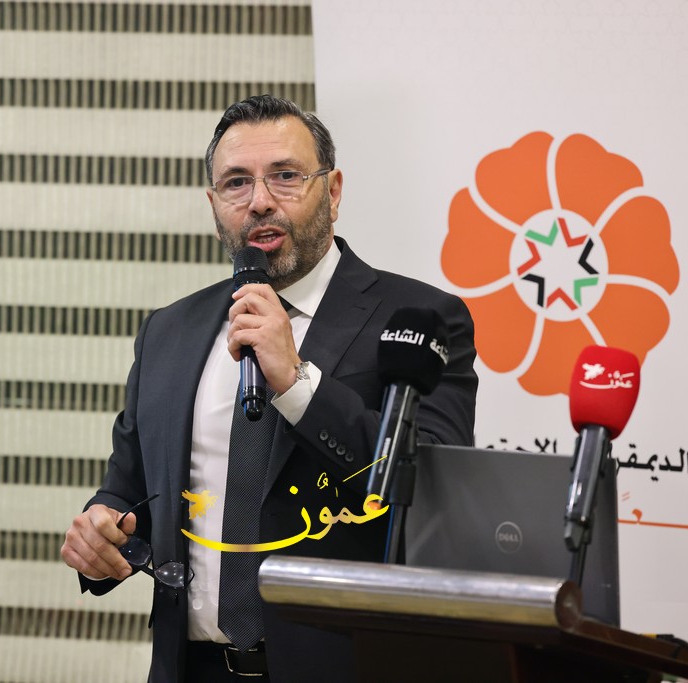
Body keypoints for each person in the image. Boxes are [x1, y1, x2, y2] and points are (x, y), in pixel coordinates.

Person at [61, 95, 478, 682]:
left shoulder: (418, 317)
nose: (259, 201)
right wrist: (100, 533)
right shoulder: (169, 332)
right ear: (214, 205)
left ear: (332, 191)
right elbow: (129, 490)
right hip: (191, 668)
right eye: (236, 183)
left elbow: (435, 486)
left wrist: (297, 381)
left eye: (285, 176)